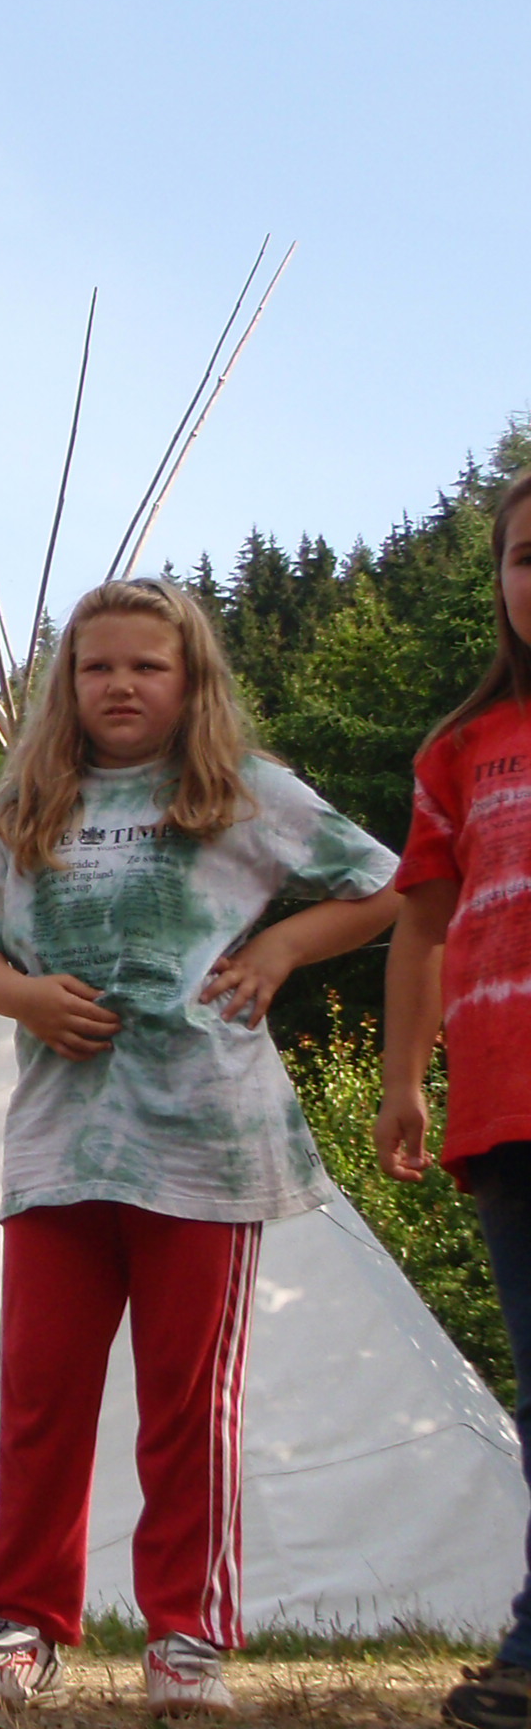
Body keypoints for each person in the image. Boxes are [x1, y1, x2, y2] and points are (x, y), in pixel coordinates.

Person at [0, 577, 399, 1719]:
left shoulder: (243, 790)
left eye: (148, 666)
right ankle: (21, 1627)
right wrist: (26, 998)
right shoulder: (29, 799)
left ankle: (186, 1639)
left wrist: (281, 949)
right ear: (68, 683)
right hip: (60, 1145)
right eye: (98, 667)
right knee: (41, 1394)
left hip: (206, 1143)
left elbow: (388, 885)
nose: (122, 685)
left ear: (191, 680)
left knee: (187, 1405)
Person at [373, 467, 531, 1729]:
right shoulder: (458, 751)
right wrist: (403, 1081)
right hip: (508, 1104)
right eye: (525, 557)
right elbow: (421, 927)